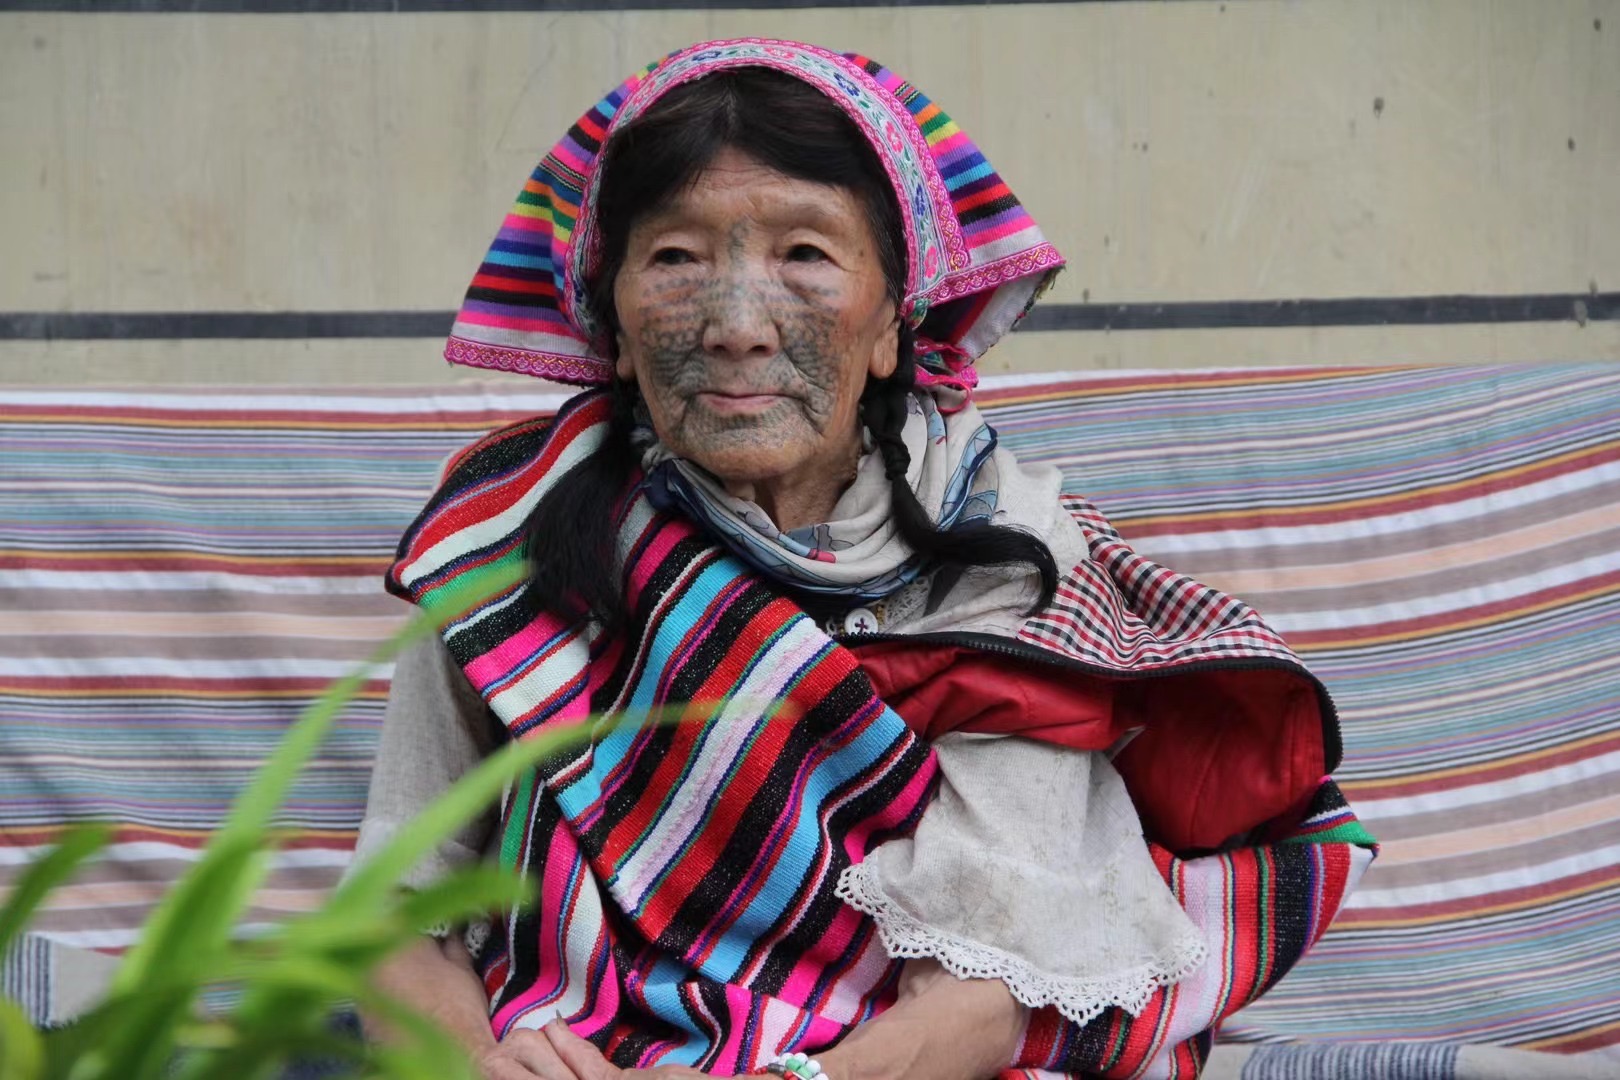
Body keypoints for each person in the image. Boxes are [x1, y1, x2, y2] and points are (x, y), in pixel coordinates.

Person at [356, 39, 1376, 1080]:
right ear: (610, 322)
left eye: (805, 253)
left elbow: (983, 987)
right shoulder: (508, 537)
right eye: (674, 259)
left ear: (894, 322)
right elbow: (394, 922)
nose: (737, 326)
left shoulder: (1008, 560)